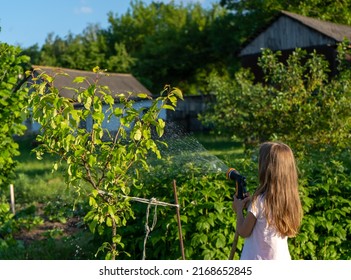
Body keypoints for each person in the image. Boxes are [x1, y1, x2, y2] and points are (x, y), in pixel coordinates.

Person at [232, 141, 303, 260]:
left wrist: (239, 209)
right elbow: (264, 220)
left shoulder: (259, 201)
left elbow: (244, 231)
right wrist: (249, 204)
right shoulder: (290, 200)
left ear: (266, 169)